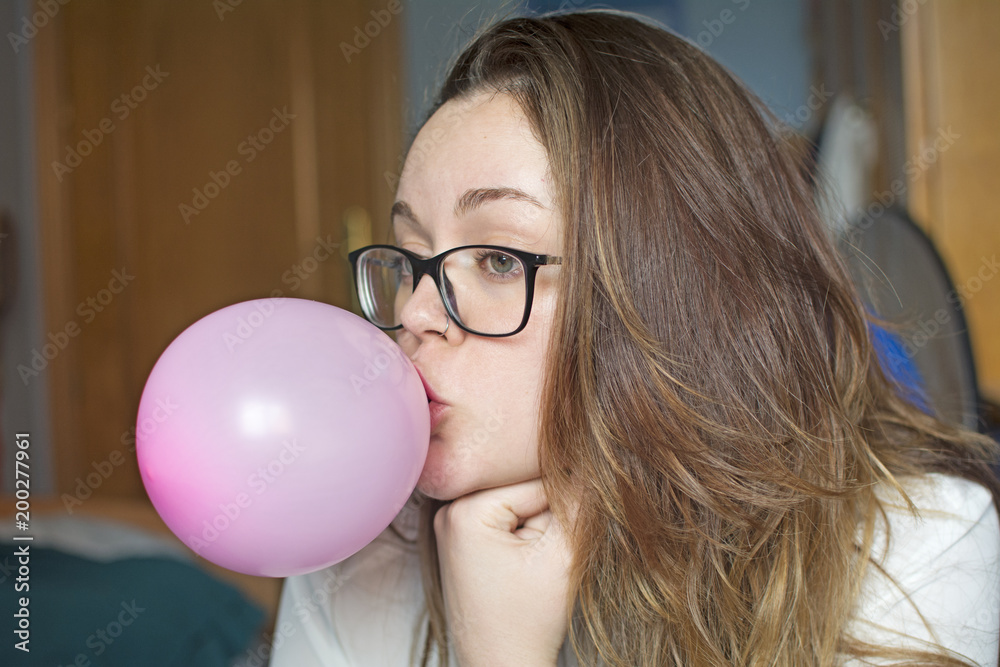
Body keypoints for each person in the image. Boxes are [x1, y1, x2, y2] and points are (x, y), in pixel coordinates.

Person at [271, 9, 1000, 666]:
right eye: (410, 258)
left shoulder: (920, 540)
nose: (416, 313)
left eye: (498, 258)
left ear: (671, 291)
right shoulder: (351, 549)